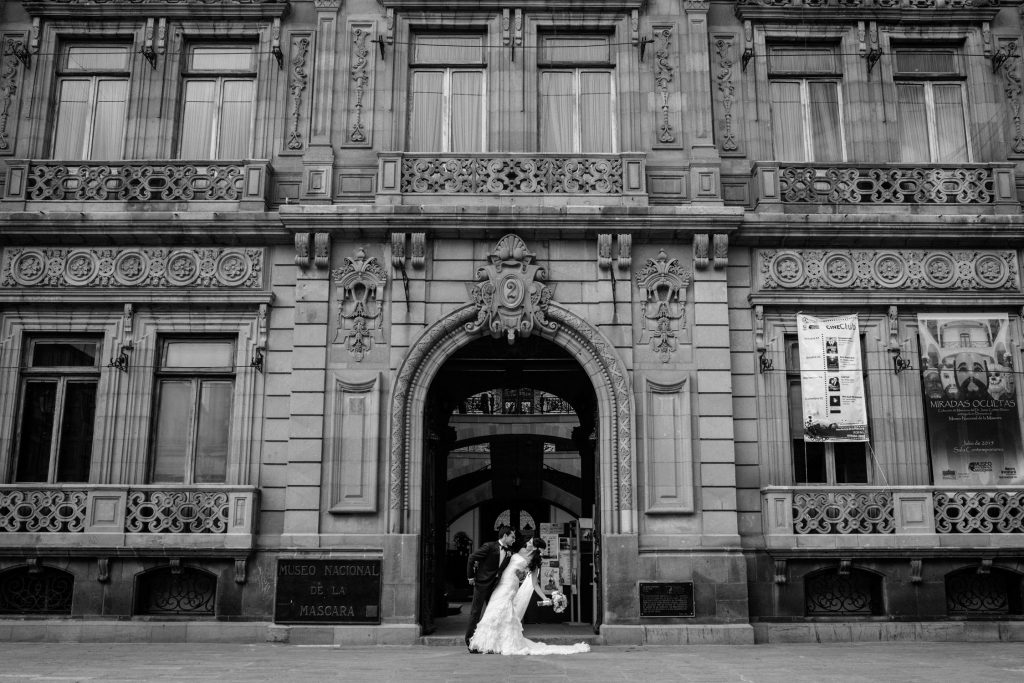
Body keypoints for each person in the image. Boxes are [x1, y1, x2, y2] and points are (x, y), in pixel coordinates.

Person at [469, 537, 590, 656]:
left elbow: (534, 584)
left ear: (535, 547)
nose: (528, 542)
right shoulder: (520, 550)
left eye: (531, 542)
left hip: (510, 585)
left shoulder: (534, 562)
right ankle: (491, 642)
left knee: (502, 610)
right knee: (493, 609)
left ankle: (498, 643)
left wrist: (544, 598)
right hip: (501, 582)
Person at [465, 525, 516, 650]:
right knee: (476, 613)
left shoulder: (509, 552)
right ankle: (470, 641)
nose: (514, 540)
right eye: (512, 537)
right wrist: (470, 577)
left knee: (491, 613)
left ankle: (489, 642)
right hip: (481, 584)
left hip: (495, 586)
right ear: (505, 536)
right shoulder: (489, 546)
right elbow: (472, 558)